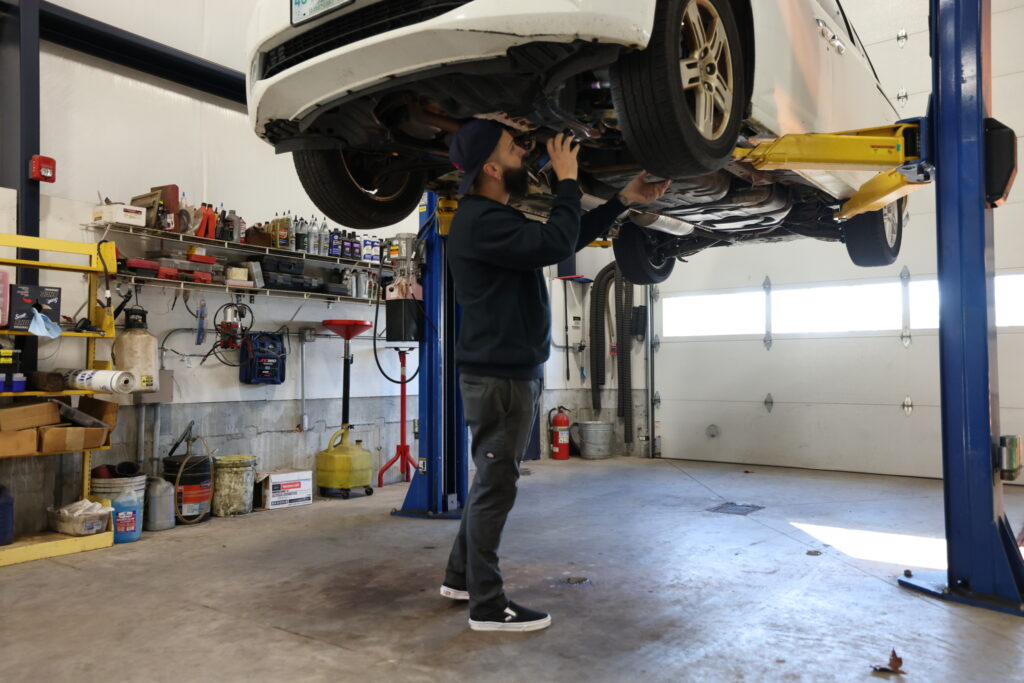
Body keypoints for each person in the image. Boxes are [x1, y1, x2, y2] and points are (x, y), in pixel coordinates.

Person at [440, 119, 671, 632]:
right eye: (511, 147)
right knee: (496, 488)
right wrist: (567, 180)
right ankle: (487, 605)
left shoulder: (489, 218)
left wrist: (621, 200)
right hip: (501, 381)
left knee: (489, 482)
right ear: (492, 169)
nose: (524, 151)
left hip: (500, 374)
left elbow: (558, 238)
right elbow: (555, 240)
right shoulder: (481, 221)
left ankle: (460, 577)